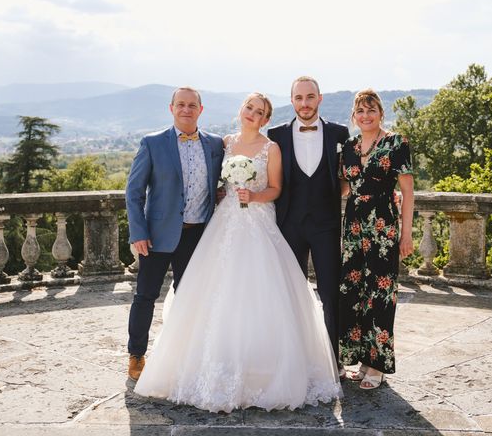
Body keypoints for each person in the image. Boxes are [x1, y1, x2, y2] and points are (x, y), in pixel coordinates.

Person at [134, 93, 342, 413]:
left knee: (259, 291)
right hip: (225, 222)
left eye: (259, 112)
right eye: (249, 108)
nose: (252, 114)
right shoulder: (224, 143)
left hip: (258, 222)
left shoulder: (271, 148)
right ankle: (165, 357)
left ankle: (264, 367)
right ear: (241, 110)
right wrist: (223, 192)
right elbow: (210, 178)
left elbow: (276, 188)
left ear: (266, 119)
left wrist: (255, 195)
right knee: (214, 292)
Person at [125, 87, 224, 381]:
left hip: (197, 236)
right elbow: (133, 192)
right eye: (180, 104)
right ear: (171, 109)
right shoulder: (153, 143)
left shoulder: (215, 145)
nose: (186, 109)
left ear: (201, 110)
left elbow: (220, 183)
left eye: (192, 105)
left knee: (191, 298)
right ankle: (136, 354)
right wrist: (138, 232)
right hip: (156, 236)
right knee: (145, 296)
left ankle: (186, 355)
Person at [267, 76, 350, 368]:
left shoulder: (340, 134)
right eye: (299, 98)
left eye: (310, 97)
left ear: (320, 99)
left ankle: (332, 359)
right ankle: (294, 359)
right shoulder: (275, 135)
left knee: (330, 292)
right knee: (291, 293)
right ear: (292, 101)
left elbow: (350, 176)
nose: (305, 103)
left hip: (326, 225)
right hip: (288, 225)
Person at [338, 89, 414, 390]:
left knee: (380, 295)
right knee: (352, 293)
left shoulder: (396, 142)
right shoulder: (349, 146)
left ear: (380, 113)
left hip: (383, 227)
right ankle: (358, 358)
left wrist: (406, 234)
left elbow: (408, 192)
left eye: (371, 110)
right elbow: (344, 188)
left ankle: (376, 365)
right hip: (354, 226)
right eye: (360, 111)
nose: (365, 115)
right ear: (354, 116)